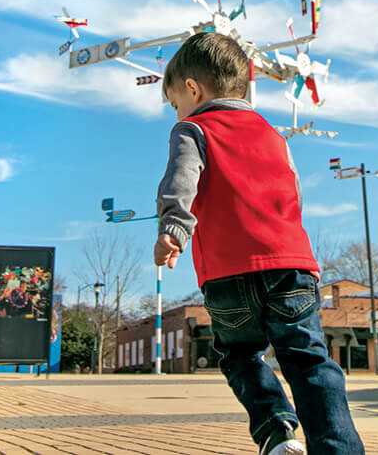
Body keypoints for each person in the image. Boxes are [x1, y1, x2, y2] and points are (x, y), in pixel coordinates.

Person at [153, 32, 364, 455]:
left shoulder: (192, 129)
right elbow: (293, 194)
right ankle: (338, 448)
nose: (177, 110)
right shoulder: (274, 136)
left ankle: (276, 432)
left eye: (176, 101)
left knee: (240, 355)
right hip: (291, 266)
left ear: (192, 89)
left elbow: (182, 179)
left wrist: (173, 228)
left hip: (228, 274)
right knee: (309, 361)